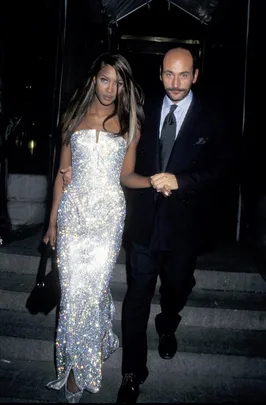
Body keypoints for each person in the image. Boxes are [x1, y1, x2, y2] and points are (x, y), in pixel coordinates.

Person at [61, 47, 234, 404]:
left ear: (195, 76)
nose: (176, 82)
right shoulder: (143, 111)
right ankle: (131, 372)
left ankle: (169, 320)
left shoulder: (212, 117)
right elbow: (118, 158)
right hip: (143, 224)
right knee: (137, 298)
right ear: (160, 74)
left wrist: (182, 181)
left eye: (184, 75)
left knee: (177, 286)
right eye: (170, 74)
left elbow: (220, 171)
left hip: (184, 226)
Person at [43, 52, 165, 404]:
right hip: (73, 212)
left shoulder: (130, 125)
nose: (111, 89)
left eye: (119, 82)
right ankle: (78, 359)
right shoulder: (73, 117)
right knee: (72, 293)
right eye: (105, 79)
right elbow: (61, 175)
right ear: (94, 79)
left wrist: (154, 181)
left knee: (91, 289)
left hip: (108, 214)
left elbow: (126, 176)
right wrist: (52, 222)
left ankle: (79, 373)